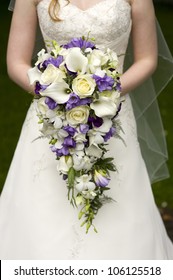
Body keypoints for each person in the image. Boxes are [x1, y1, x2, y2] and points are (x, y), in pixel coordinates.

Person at [0, 0, 173, 259]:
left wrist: (104, 94)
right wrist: (54, 95)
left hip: (112, 114)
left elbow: (147, 59)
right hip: (52, 115)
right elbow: (15, 62)